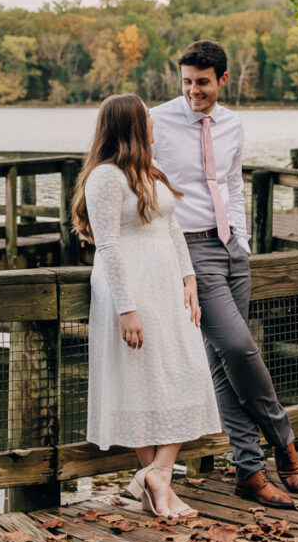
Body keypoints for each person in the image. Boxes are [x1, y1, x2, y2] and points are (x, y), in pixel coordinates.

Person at [150, 40, 298, 509]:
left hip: (231, 248)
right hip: (189, 250)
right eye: (186, 82)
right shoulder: (156, 121)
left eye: (202, 82)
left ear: (221, 79)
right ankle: (283, 440)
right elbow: (138, 180)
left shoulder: (233, 124)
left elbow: (232, 183)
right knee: (239, 346)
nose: (193, 91)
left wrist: (242, 240)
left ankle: (248, 472)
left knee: (223, 363)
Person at [71, 93, 222, 519]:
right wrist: (126, 308)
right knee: (140, 379)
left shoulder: (148, 171)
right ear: (131, 125)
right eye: (147, 116)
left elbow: (172, 228)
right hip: (132, 285)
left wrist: (188, 278)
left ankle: (157, 473)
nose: (154, 121)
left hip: (166, 285)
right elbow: (110, 246)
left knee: (187, 370)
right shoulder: (105, 178)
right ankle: (158, 481)